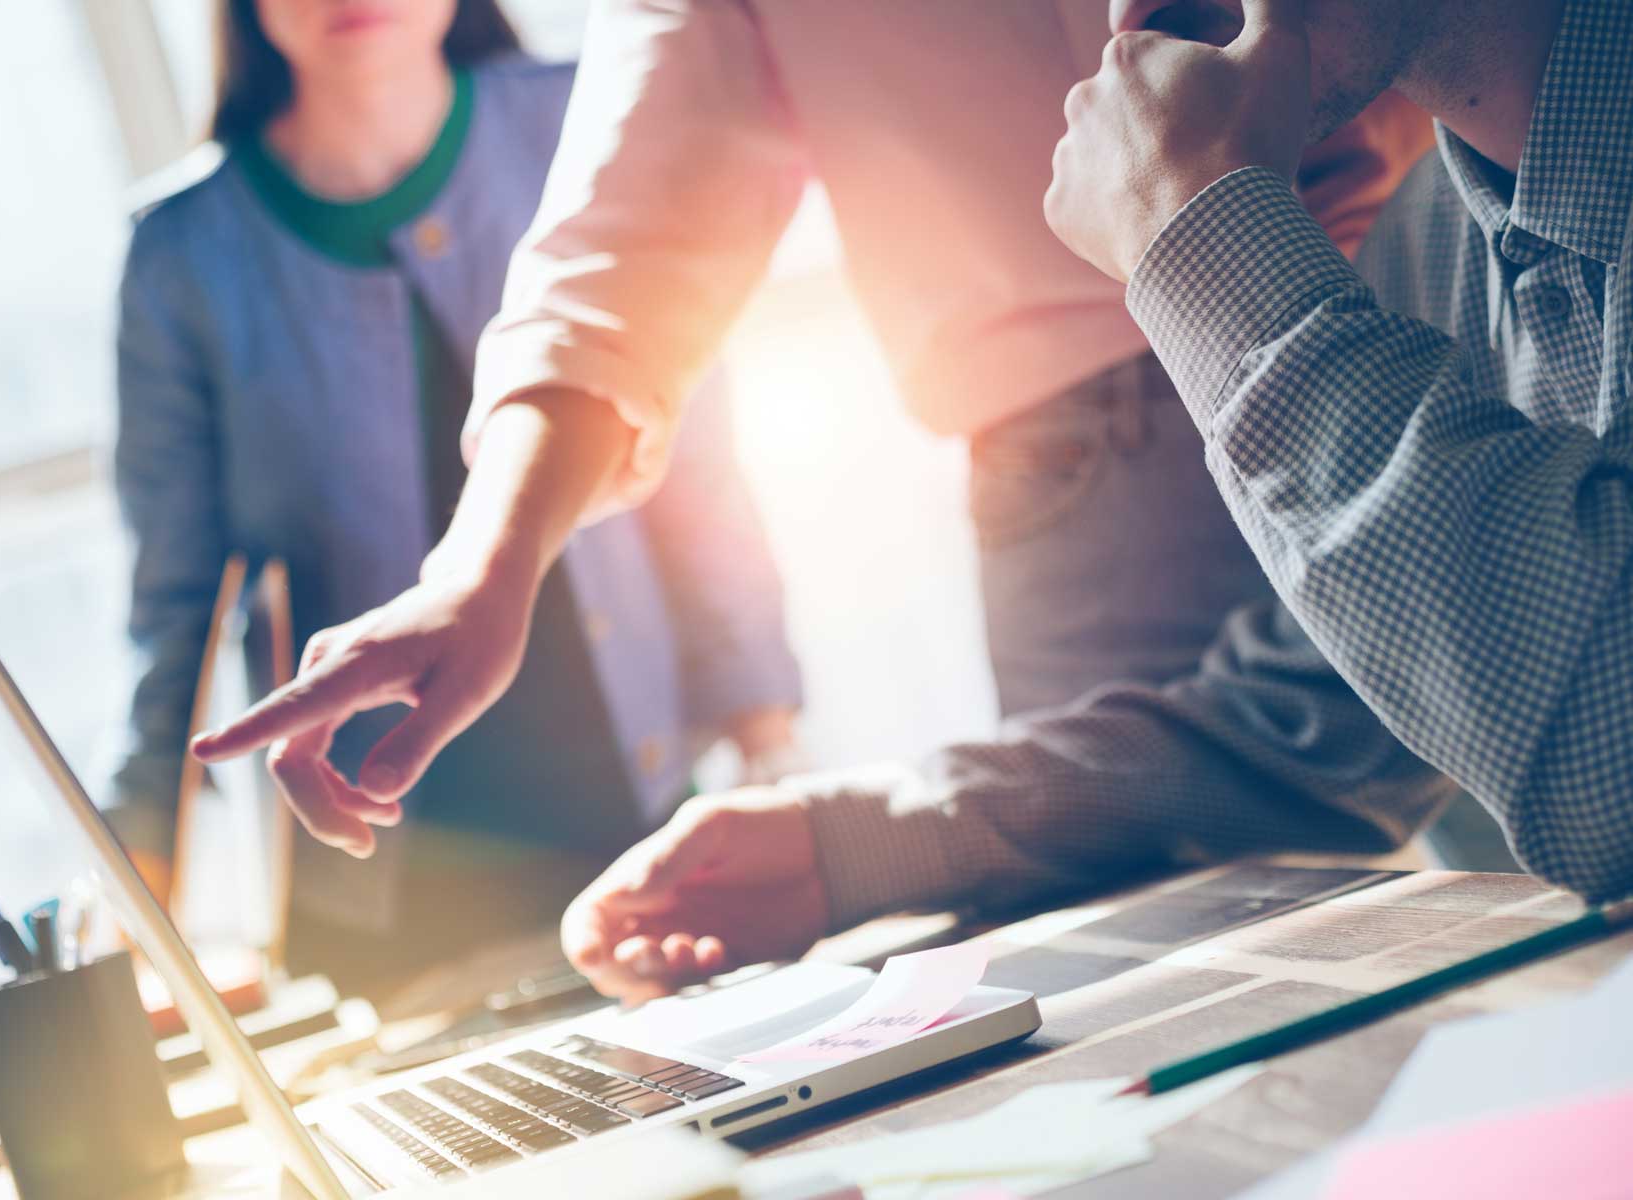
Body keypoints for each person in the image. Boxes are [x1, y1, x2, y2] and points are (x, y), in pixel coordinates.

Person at [193, 2, 1446, 1001]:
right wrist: (487, 562)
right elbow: (621, 239)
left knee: (1525, 946)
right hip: (1080, 491)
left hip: (1401, 323)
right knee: (1169, 1011)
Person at [107, 0, 802, 987]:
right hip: (381, 889)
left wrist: (766, 733)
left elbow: (696, 457)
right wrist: (138, 863)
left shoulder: (582, 117)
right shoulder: (181, 256)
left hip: (633, 820)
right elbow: (169, 601)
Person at [1041, 0, 1633, 907]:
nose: (1130, 17)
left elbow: (1615, 756)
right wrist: (840, 838)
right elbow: (1313, 725)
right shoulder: (1427, 235)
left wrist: (1200, 239)